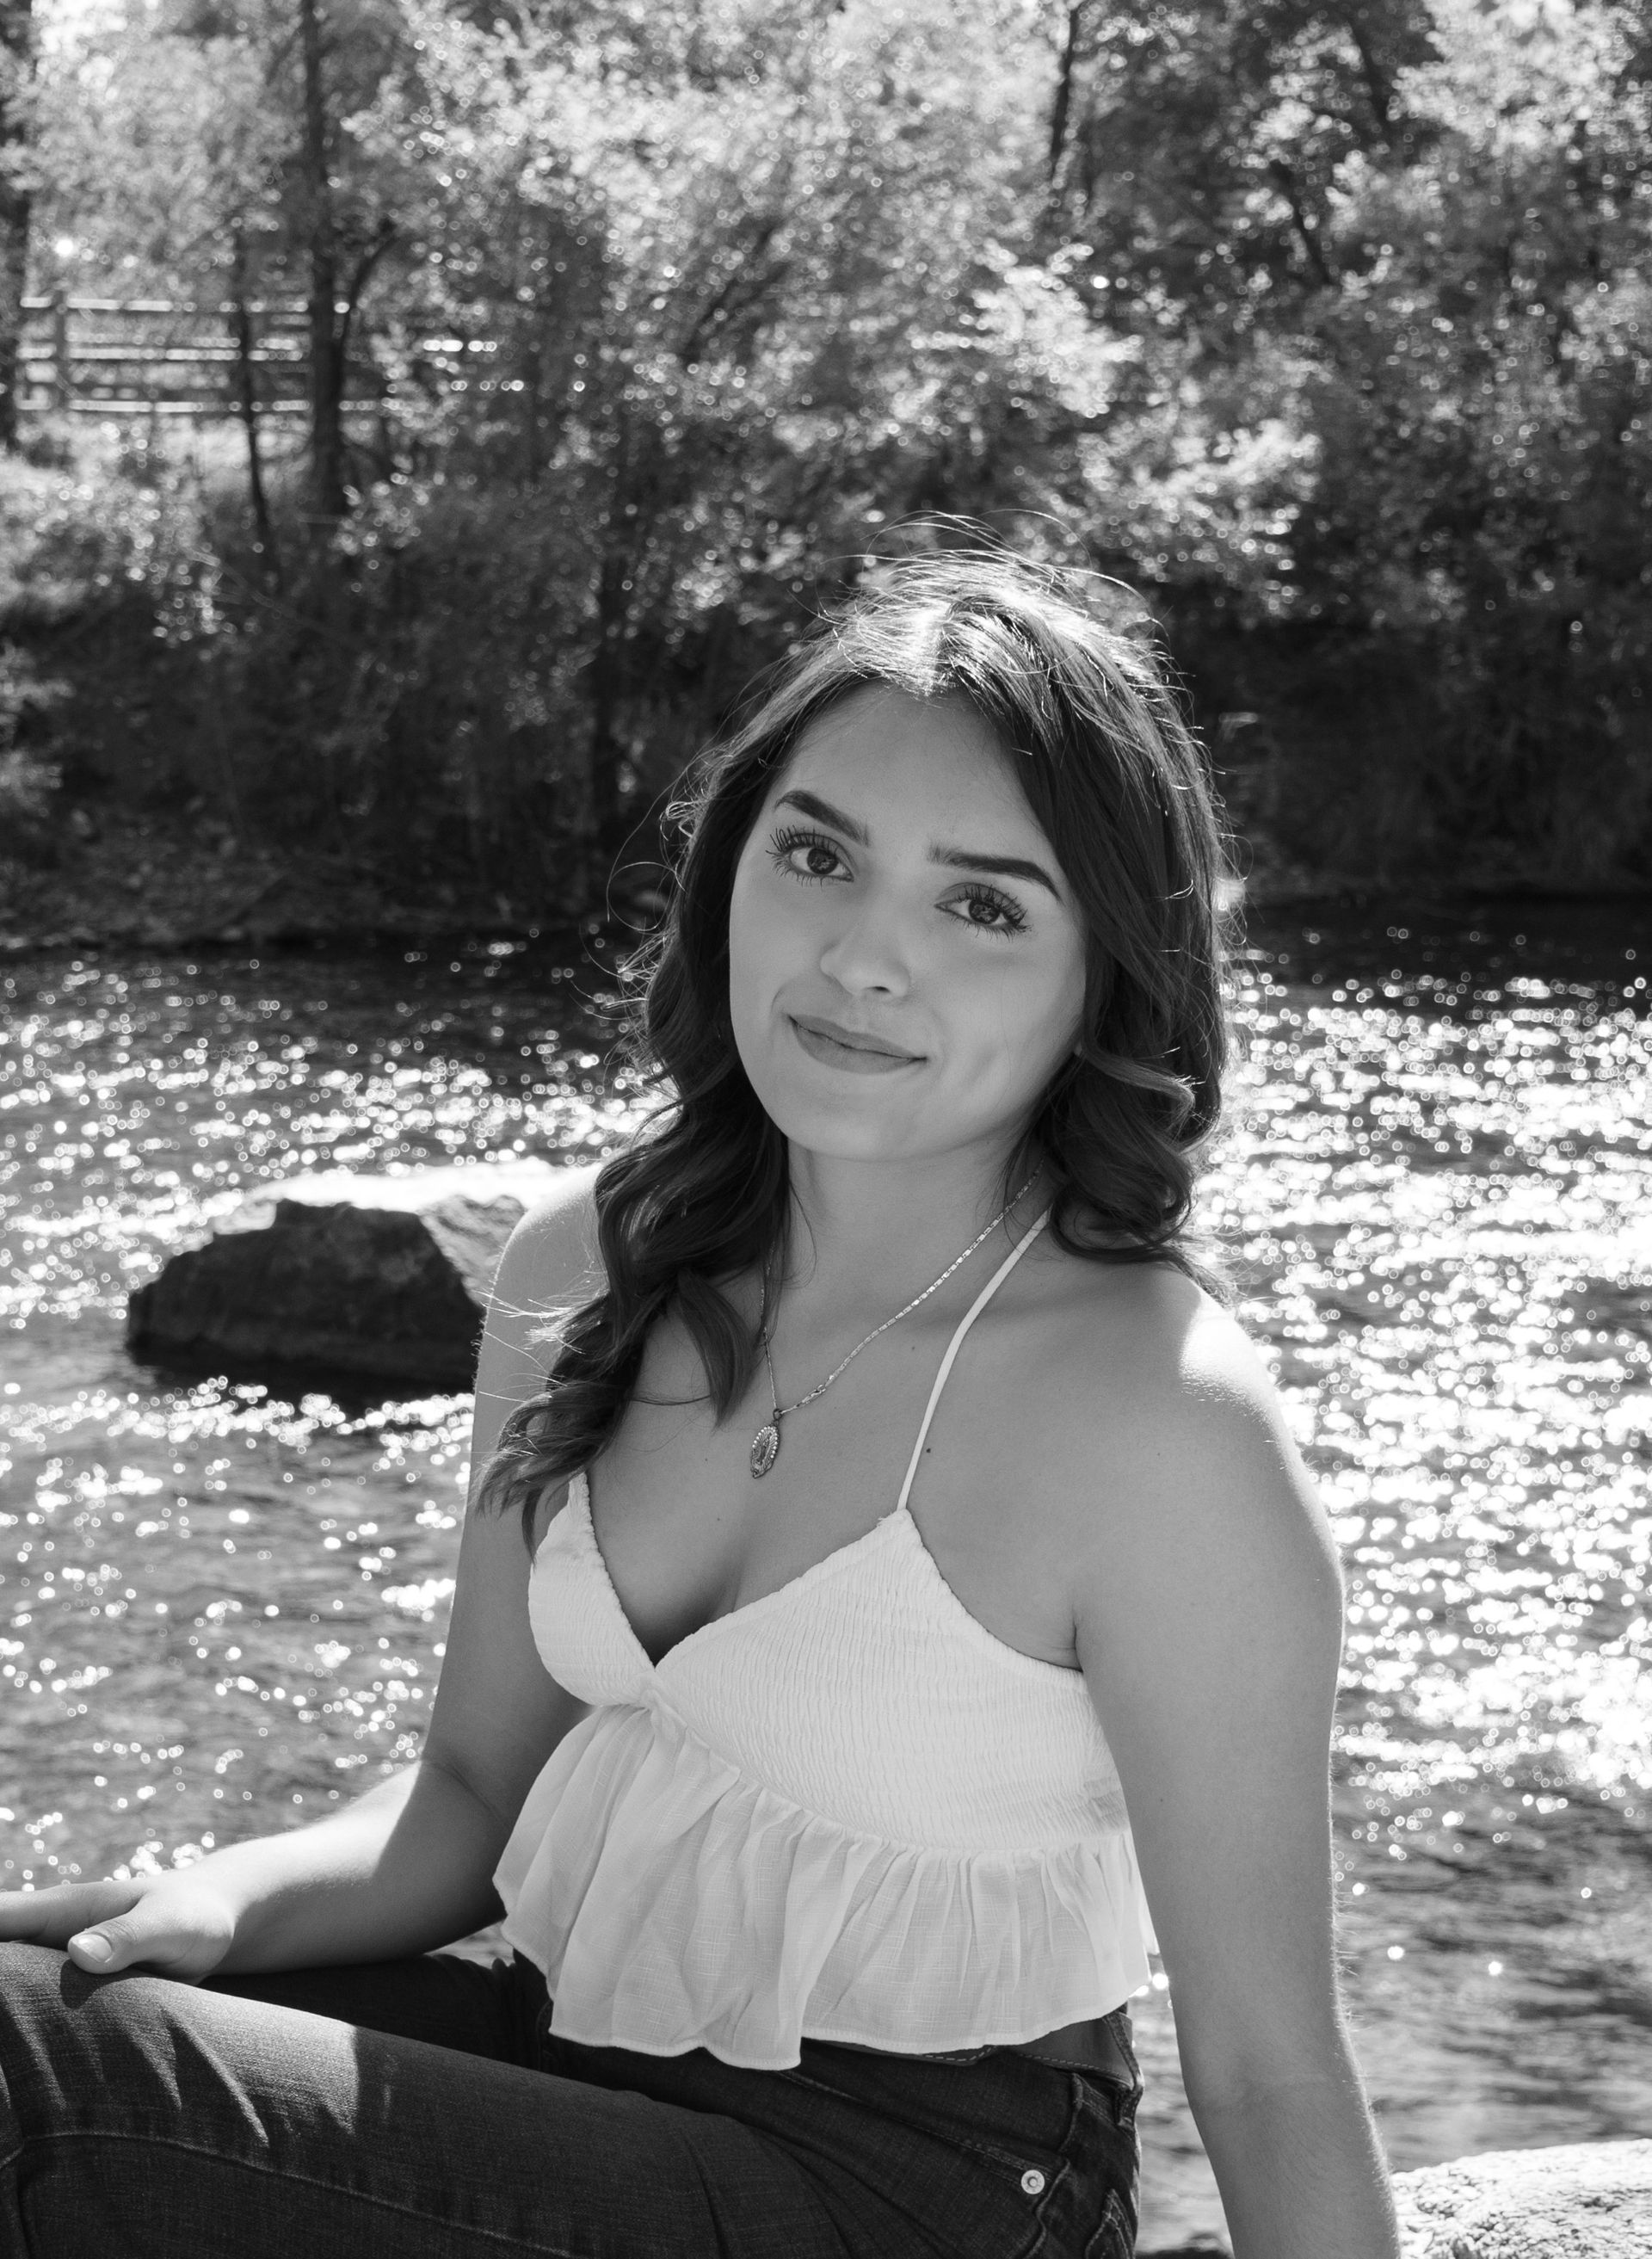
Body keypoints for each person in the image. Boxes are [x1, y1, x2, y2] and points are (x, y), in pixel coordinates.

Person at [0, 547, 1402, 2259]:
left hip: (923, 2194)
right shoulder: (584, 1260)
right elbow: (465, 1798)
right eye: (817, 854)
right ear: (733, 870)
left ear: (1105, 969)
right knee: (41, 1985)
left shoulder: (1162, 1418)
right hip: (578, 2048)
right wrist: (221, 1896)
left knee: (38, 2076)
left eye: (981, 903)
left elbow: (1266, 2066)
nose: (862, 957)